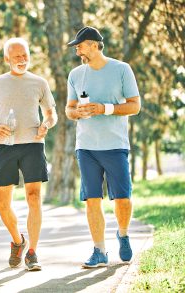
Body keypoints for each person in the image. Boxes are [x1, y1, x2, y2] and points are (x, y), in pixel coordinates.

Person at [65, 26, 141, 268]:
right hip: (86, 147)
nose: (77, 50)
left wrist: (104, 108)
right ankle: (99, 250)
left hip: (115, 145)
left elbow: (134, 106)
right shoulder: (75, 74)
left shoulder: (121, 69)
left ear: (95, 45)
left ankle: (123, 233)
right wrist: (76, 112)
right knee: (92, 200)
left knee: (123, 199)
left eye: (80, 45)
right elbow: (69, 109)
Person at [0, 38, 58, 271]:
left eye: (25, 55)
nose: (22, 60)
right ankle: (18, 241)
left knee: (34, 197)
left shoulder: (39, 82)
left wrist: (47, 124)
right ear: (7, 59)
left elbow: (51, 114)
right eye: (16, 56)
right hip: (4, 146)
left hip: (33, 145)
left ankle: (33, 253)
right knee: (2, 203)